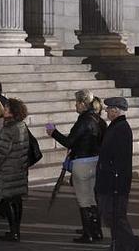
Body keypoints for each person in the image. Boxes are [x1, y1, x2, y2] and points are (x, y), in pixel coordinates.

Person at [46, 89, 107, 243]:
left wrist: (53, 132)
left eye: (76, 103)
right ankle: (97, 230)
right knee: (92, 199)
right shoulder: (99, 120)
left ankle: (88, 234)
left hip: (82, 163)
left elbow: (69, 142)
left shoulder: (84, 120)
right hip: (96, 161)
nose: (75, 106)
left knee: (83, 200)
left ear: (82, 103)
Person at [96, 97, 139, 251]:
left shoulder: (121, 128)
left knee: (114, 215)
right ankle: (121, 243)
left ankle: (130, 243)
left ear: (115, 110)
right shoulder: (116, 126)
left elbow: (120, 159)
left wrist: (115, 182)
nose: (106, 111)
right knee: (113, 215)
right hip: (111, 179)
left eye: (108, 109)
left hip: (114, 181)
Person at [0, 98, 29, 242]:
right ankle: (16, 230)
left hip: (7, 169)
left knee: (8, 201)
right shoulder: (21, 125)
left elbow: (2, 151)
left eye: (6, 109)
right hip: (19, 167)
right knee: (17, 200)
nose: (4, 110)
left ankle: (13, 232)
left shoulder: (8, 128)